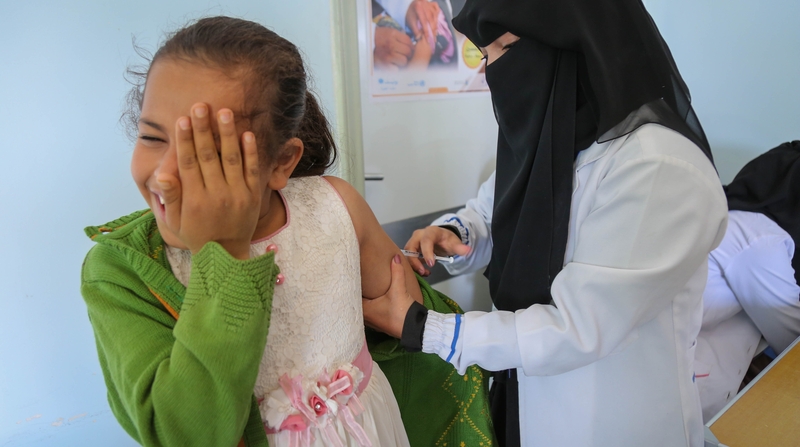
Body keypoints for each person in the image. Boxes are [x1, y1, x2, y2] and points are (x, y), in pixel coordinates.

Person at [362, 0, 729, 446]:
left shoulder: (659, 168)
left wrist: (428, 329)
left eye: (505, 47)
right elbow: (493, 209)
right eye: (485, 52)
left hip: (613, 419)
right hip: (524, 397)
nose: (491, 70)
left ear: (575, 42)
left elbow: (578, 327)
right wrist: (457, 233)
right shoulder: (551, 137)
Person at [81, 16, 422, 447]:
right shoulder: (120, 272)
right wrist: (223, 251)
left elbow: (397, 302)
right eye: (151, 137)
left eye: (207, 154)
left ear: (281, 162)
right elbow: (185, 433)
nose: (165, 176)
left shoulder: (335, 206)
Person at [695, 140, 800, 422]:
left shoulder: (735, 221)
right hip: (680, 381)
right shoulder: (759, 239)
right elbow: (792, 339)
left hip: (701, 377)